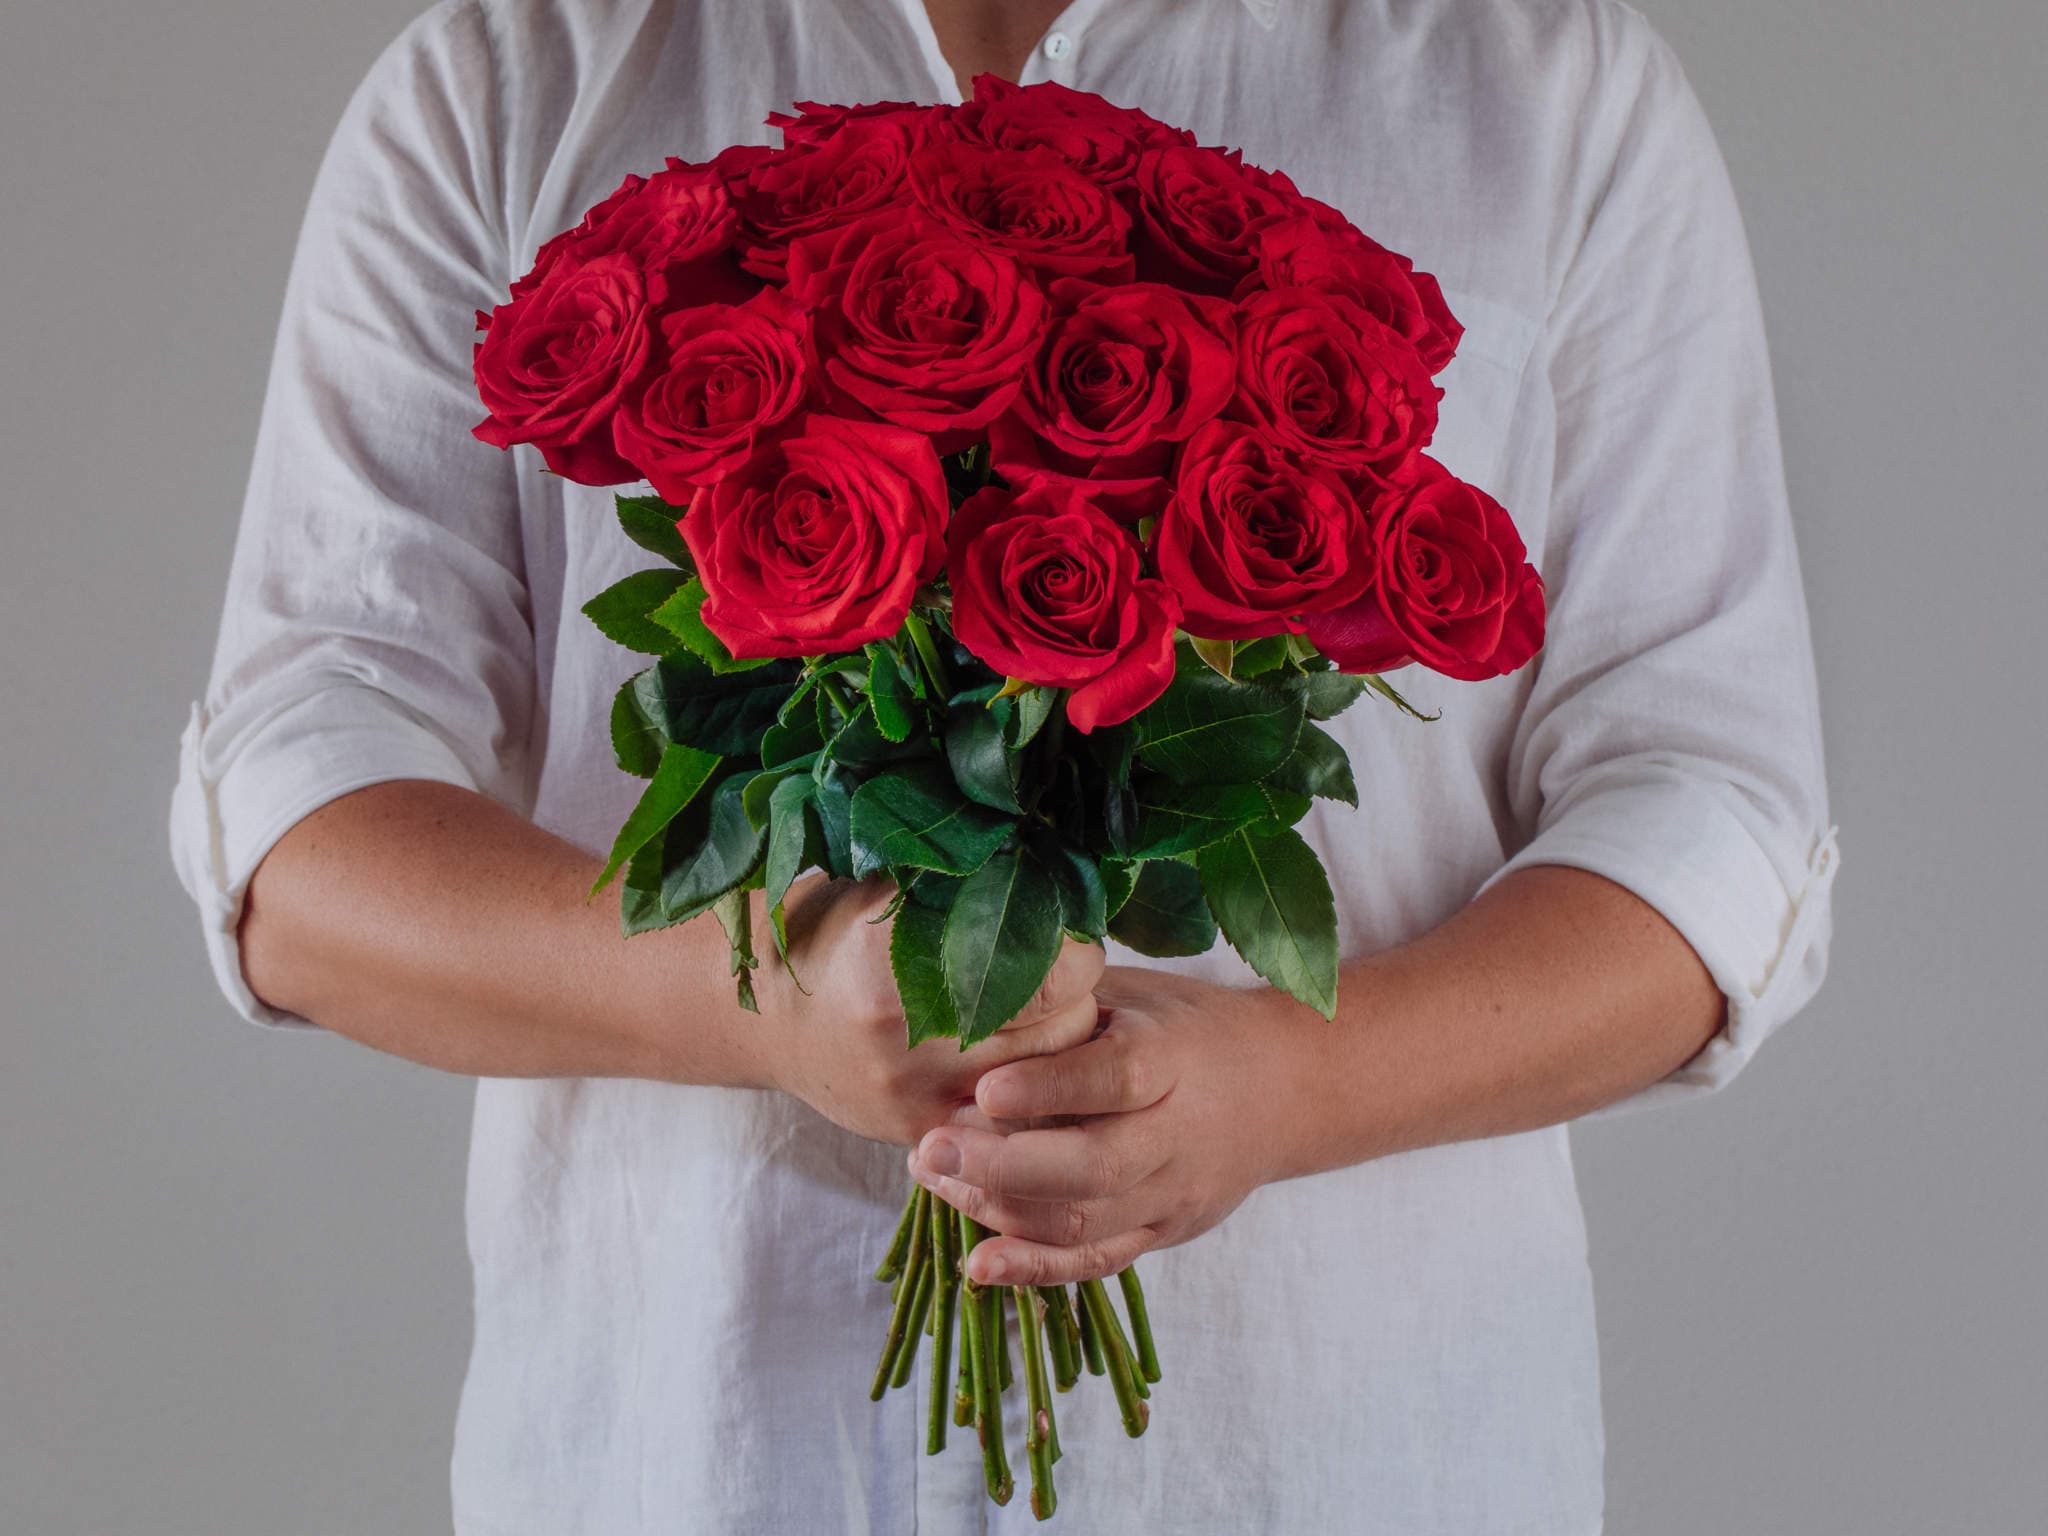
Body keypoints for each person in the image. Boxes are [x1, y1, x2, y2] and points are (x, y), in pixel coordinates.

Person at [169, 0, 1838, 1530]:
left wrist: (1288, 1089)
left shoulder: (1541, 82)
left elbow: (1714, 816)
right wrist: (748, 1000)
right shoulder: (513, 77)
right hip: (695, 1458)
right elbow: (298, 831)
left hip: (1350, 1463)